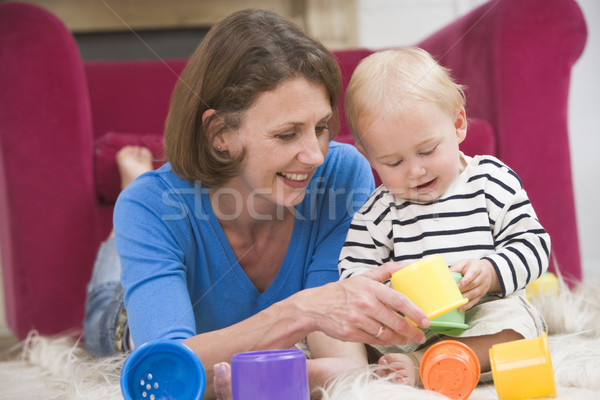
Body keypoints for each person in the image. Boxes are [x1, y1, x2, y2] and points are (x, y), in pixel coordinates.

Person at [82, 10, 431, 399]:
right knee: (110, 302)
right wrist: (300, 311)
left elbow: (345, 365)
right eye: (286, 135)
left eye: (320, 127)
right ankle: (127, 208)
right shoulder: (150, 207)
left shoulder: (340, 175)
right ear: (220, 134)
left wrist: (259, 375)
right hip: (121, 316)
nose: (315, 155)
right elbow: (163, 373)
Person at [330, 47, 550, 386]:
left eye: (428, 150)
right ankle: (423, 357)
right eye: (393, 162)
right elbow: (353, 273)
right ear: (369, 156)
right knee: (347, 332)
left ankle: (428, 363)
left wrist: (491, 273)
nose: (416, 171)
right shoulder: (378, 210)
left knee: (517, 328)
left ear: (458, 124)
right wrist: (390, 296)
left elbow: (533, 244)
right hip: (413, 324)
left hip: (482, 312)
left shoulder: (490, 180)